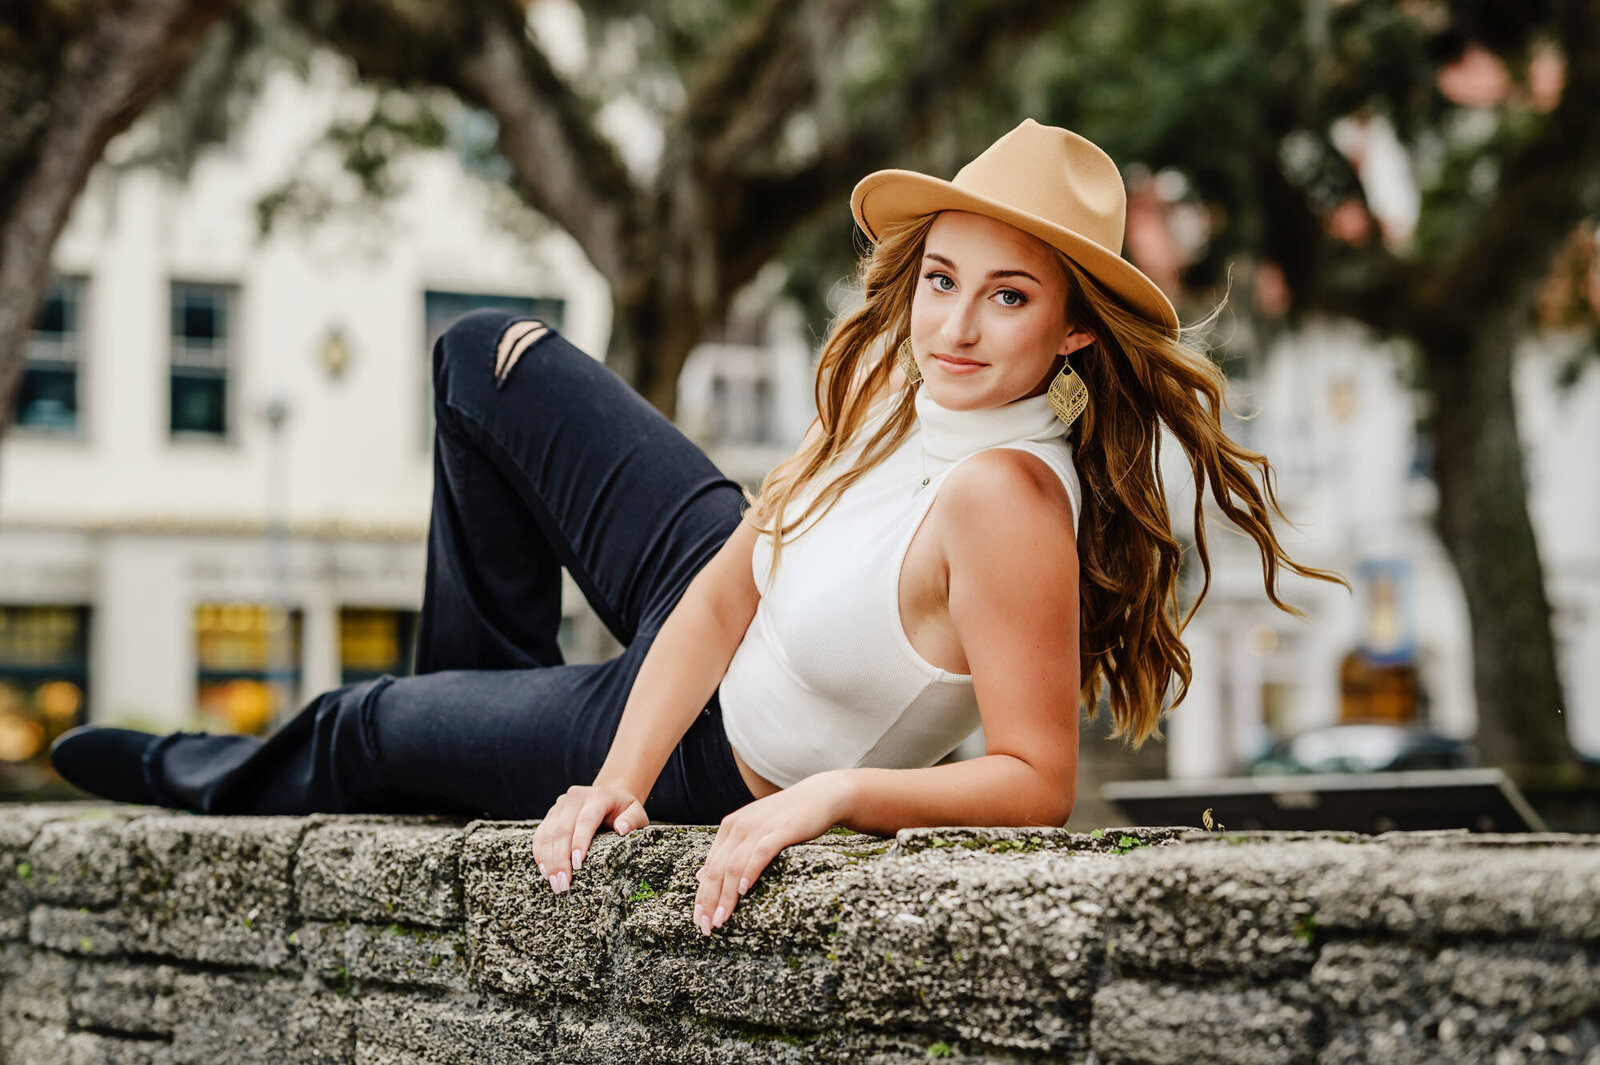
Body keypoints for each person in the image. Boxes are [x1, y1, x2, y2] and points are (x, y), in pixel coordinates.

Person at [50, 119, 1343, 937]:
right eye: (940, 279)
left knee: (366, 723)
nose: (953, 325)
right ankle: (472, 724)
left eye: (1006, 297)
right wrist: (610, 774)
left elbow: (1036, 783)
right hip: (718, 624)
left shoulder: (1007, 499)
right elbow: (729, 587)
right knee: (484, 357)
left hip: (728, 758)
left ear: (1069, 329)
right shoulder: (904, 393)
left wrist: (827, 798)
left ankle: (199, 770)